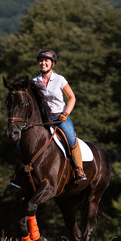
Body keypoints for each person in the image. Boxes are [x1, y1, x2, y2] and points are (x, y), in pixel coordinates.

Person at [32, 49, 87, 183]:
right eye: (41, 60)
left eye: (46, 61)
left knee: (71, 139)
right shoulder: (34, 82)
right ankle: (20, 174)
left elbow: (72, 97)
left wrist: (66, 113)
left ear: (53, 64)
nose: (43, 63)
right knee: (24, 141)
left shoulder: (60, 79)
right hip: (44, 120)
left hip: (60, 117)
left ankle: (79, 169)